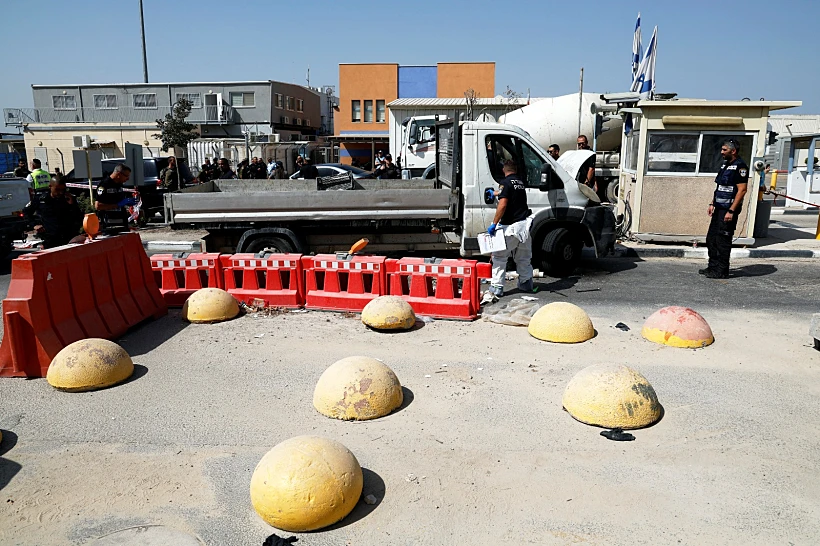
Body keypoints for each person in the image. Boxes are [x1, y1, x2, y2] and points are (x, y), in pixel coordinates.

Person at [483, 160, 535, 303]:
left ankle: (497, 287)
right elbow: (511, 192)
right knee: (523, 257)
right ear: (515, 170)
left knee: (499, 257)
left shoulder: (505, 182)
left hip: (511, 227)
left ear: (504, 170)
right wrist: (495, 193)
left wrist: (494, 223)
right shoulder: (520, 182)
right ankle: (526, 284)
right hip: (524, 226)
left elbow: (504, 203)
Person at [701, 139, 749, 279]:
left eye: (724, 150)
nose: (721, 152)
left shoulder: (741, 167)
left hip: (728, 210)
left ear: (733, 151)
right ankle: (713, 267)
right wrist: (712, 203)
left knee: (723, 240)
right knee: (711, 239)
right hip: (719, 208)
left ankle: (722, 270)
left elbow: (742, 190)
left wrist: (731, 211)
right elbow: (720, 187)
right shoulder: (725, 165)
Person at [23, 176, 83, 248]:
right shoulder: (41, 199)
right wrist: (34, 225)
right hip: (51, 238)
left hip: (69, 238)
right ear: (50, 187)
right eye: (57, 189)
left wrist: (72, 204)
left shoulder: (68, 198)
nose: (60, 192)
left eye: (63, 190)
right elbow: (26, 212)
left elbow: (79, 216)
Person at [94, 163, 136, 234]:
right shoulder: (104, 185)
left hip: (122, 224)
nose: (128, 179)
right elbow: (98, 206)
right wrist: (118, 204)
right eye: (126, 176)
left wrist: (126, 203)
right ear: (119, 174)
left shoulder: (119, 184)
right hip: (110, 227)